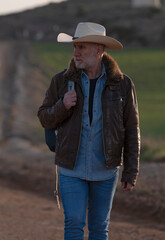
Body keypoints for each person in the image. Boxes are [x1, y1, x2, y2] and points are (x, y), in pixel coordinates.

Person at [37, 22, 140, 240]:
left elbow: (132, 128)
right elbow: (44, 117)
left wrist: (131, 171)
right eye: (75, 47)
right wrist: (62, 105)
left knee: (99, 227)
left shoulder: (122, 84)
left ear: (98, 50)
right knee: (73, 224)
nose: (76, 53)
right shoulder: (61, 81)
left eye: (81, 47)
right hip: (70, 168)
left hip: (106, 169)